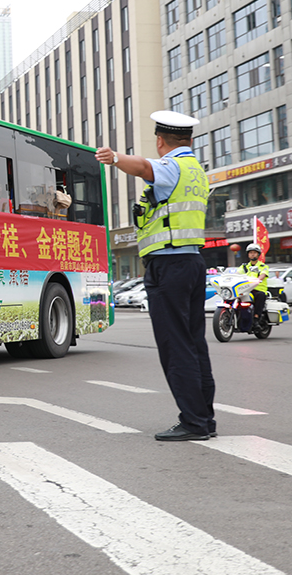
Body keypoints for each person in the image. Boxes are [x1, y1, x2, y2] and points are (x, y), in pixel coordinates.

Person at [95, 110, 214, 442]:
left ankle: (193, 421)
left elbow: (146, 168)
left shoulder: (170, 166)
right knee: (193, 344)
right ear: (189, 140)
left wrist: (115, 157)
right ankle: (205, 418)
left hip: (169, 265)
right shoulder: (197, 171)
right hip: (192, 261)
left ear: (161, 141)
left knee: (175, 345)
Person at [239, 243, 269, 332]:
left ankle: (256, 319)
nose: (252, 254)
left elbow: (263, 275)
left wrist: (258, 279)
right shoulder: (244, 267)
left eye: (254, 253)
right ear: (248, 254)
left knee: (260, 295)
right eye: (250, 252)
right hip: (245, 290)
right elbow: (236, 274)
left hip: (258, 289)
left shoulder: (263, 266)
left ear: (258, 255)